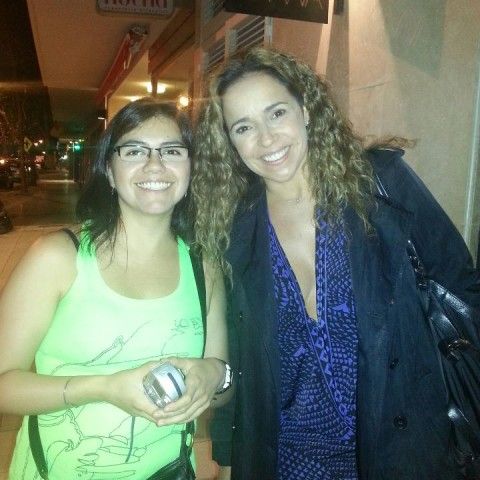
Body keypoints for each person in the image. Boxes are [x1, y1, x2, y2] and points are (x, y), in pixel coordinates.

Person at [191, 47, 480, 479]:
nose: (266, 139)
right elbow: (240, 356)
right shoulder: (234, 230)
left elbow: (461, 285)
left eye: (276, 113)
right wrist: (229, 455)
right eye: (244, 127)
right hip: (288, 459)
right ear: (230, 142)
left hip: (399, 448)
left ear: (306, 111)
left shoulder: (378, 185)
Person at [0, 97, 232, 479]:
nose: (154, 164)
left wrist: (213, 376)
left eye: (172, 151)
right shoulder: (58, 258)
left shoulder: (203, 266)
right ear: (109, 170)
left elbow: (223, 385)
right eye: (135, 151)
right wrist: (104, 388)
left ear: (191, 167)